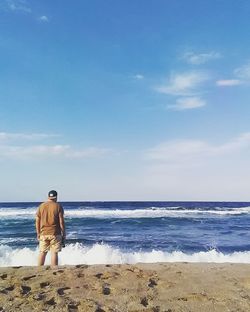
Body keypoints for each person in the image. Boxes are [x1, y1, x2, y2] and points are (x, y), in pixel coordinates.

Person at [35, 190, 66, 266]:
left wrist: (38, 233)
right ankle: (54, 269)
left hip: (43, 233)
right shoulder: (58, 206)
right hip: (55, 233)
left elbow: (37, 221)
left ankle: (39, 269)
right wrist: (64, 233)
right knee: (54, 253)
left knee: (42, 252)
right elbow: (61, 221)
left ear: (48, 197)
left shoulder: (41, 206)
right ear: (56, 197)